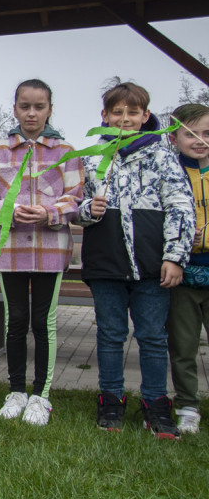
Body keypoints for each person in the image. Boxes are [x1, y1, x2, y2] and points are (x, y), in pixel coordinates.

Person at [78, 81, 194, 438]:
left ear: (145, 116)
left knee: (152, 337)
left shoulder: (163, 157)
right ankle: (111, 399)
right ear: (104, 116)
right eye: (117, 112)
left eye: (132, 112)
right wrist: (88, 210)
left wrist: (175, 256)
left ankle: (156, 404)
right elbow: (73, 206)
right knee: (111, 335)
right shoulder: (92, 156)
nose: (124, 119)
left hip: (151, 266)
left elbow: (180, 206)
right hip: (106, 264)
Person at [0, 79, 83, 426]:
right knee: (16, 319)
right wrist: (7, 209)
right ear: (15, 108)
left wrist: (49, 213)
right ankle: (17, 390)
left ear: (50, 109)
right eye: (25, 106)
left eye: (39, 106)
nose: (31, 113)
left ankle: (41, 395)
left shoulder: (65, 151)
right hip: (12, 250)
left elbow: (76, 195)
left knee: (43, 322)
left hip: (51, 250)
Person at [166, 103, 209, 434]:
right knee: (184, 345)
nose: (200, 140)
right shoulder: (169, 172)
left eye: (206, 133)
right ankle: (188, 403)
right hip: (184, 271)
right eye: (190, 133)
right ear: (173, 136)